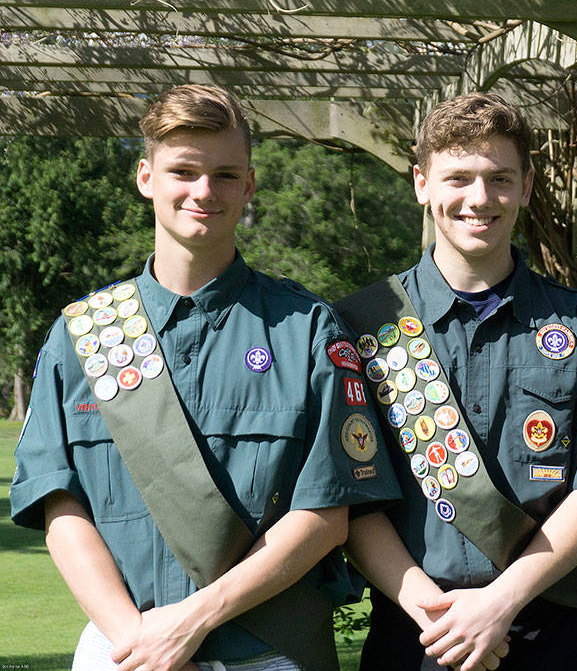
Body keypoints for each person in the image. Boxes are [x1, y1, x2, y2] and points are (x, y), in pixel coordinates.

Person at [10, 84, 399, 671]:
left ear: (249, 185)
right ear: (146, 177)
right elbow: (58, 505)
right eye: (184, 171)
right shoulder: (82, 335)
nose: (204, 191)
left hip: (270, 654)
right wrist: (140, 643)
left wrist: (189, 624)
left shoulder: (306, 329)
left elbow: (326, 515)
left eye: (224, 175)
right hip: (123, 649)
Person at [339, 92, 577, 671]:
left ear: (527, 186)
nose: (479, 198)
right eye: (458, 178)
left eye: (499, 179)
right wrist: (433, 610)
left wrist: (499, 602)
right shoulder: (361, 325)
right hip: (417, 624)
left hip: (550, 627)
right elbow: (350, 496)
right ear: (422, 184)